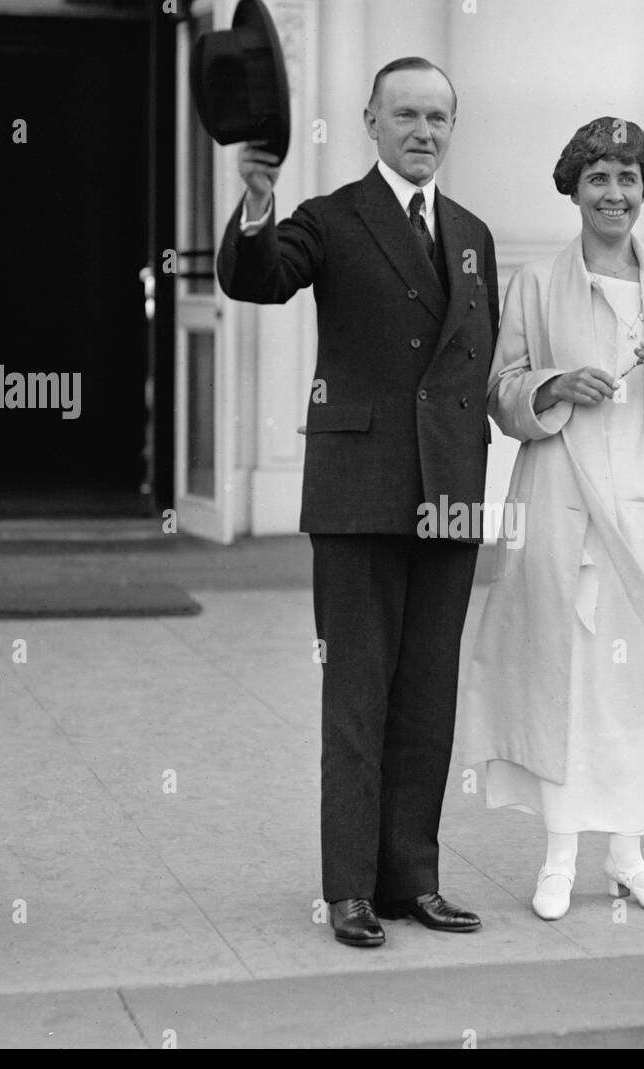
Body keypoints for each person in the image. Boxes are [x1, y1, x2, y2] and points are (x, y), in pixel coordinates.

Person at [217, 58, 499, 947]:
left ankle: (412, 876)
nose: (423, 131)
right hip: (358, 493)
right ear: (370, 120)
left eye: (438, 118)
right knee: (357, 696)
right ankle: (348, 888)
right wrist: (256, 206)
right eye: (406, 115)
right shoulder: (330, 219)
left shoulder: (472, 233)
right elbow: (257, 277)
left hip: (449, 494)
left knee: (428, 695)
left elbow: (473, 362)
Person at [456, 117, 644, 921]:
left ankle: (628, 854)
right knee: (565, 685)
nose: (613, 193)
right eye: (598, 178)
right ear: (574, 189)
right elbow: (500, 392)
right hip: (563, 518)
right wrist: (551, 386)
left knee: (642, 688)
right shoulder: (535, 286)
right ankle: (557, 856)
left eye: (627, 177)